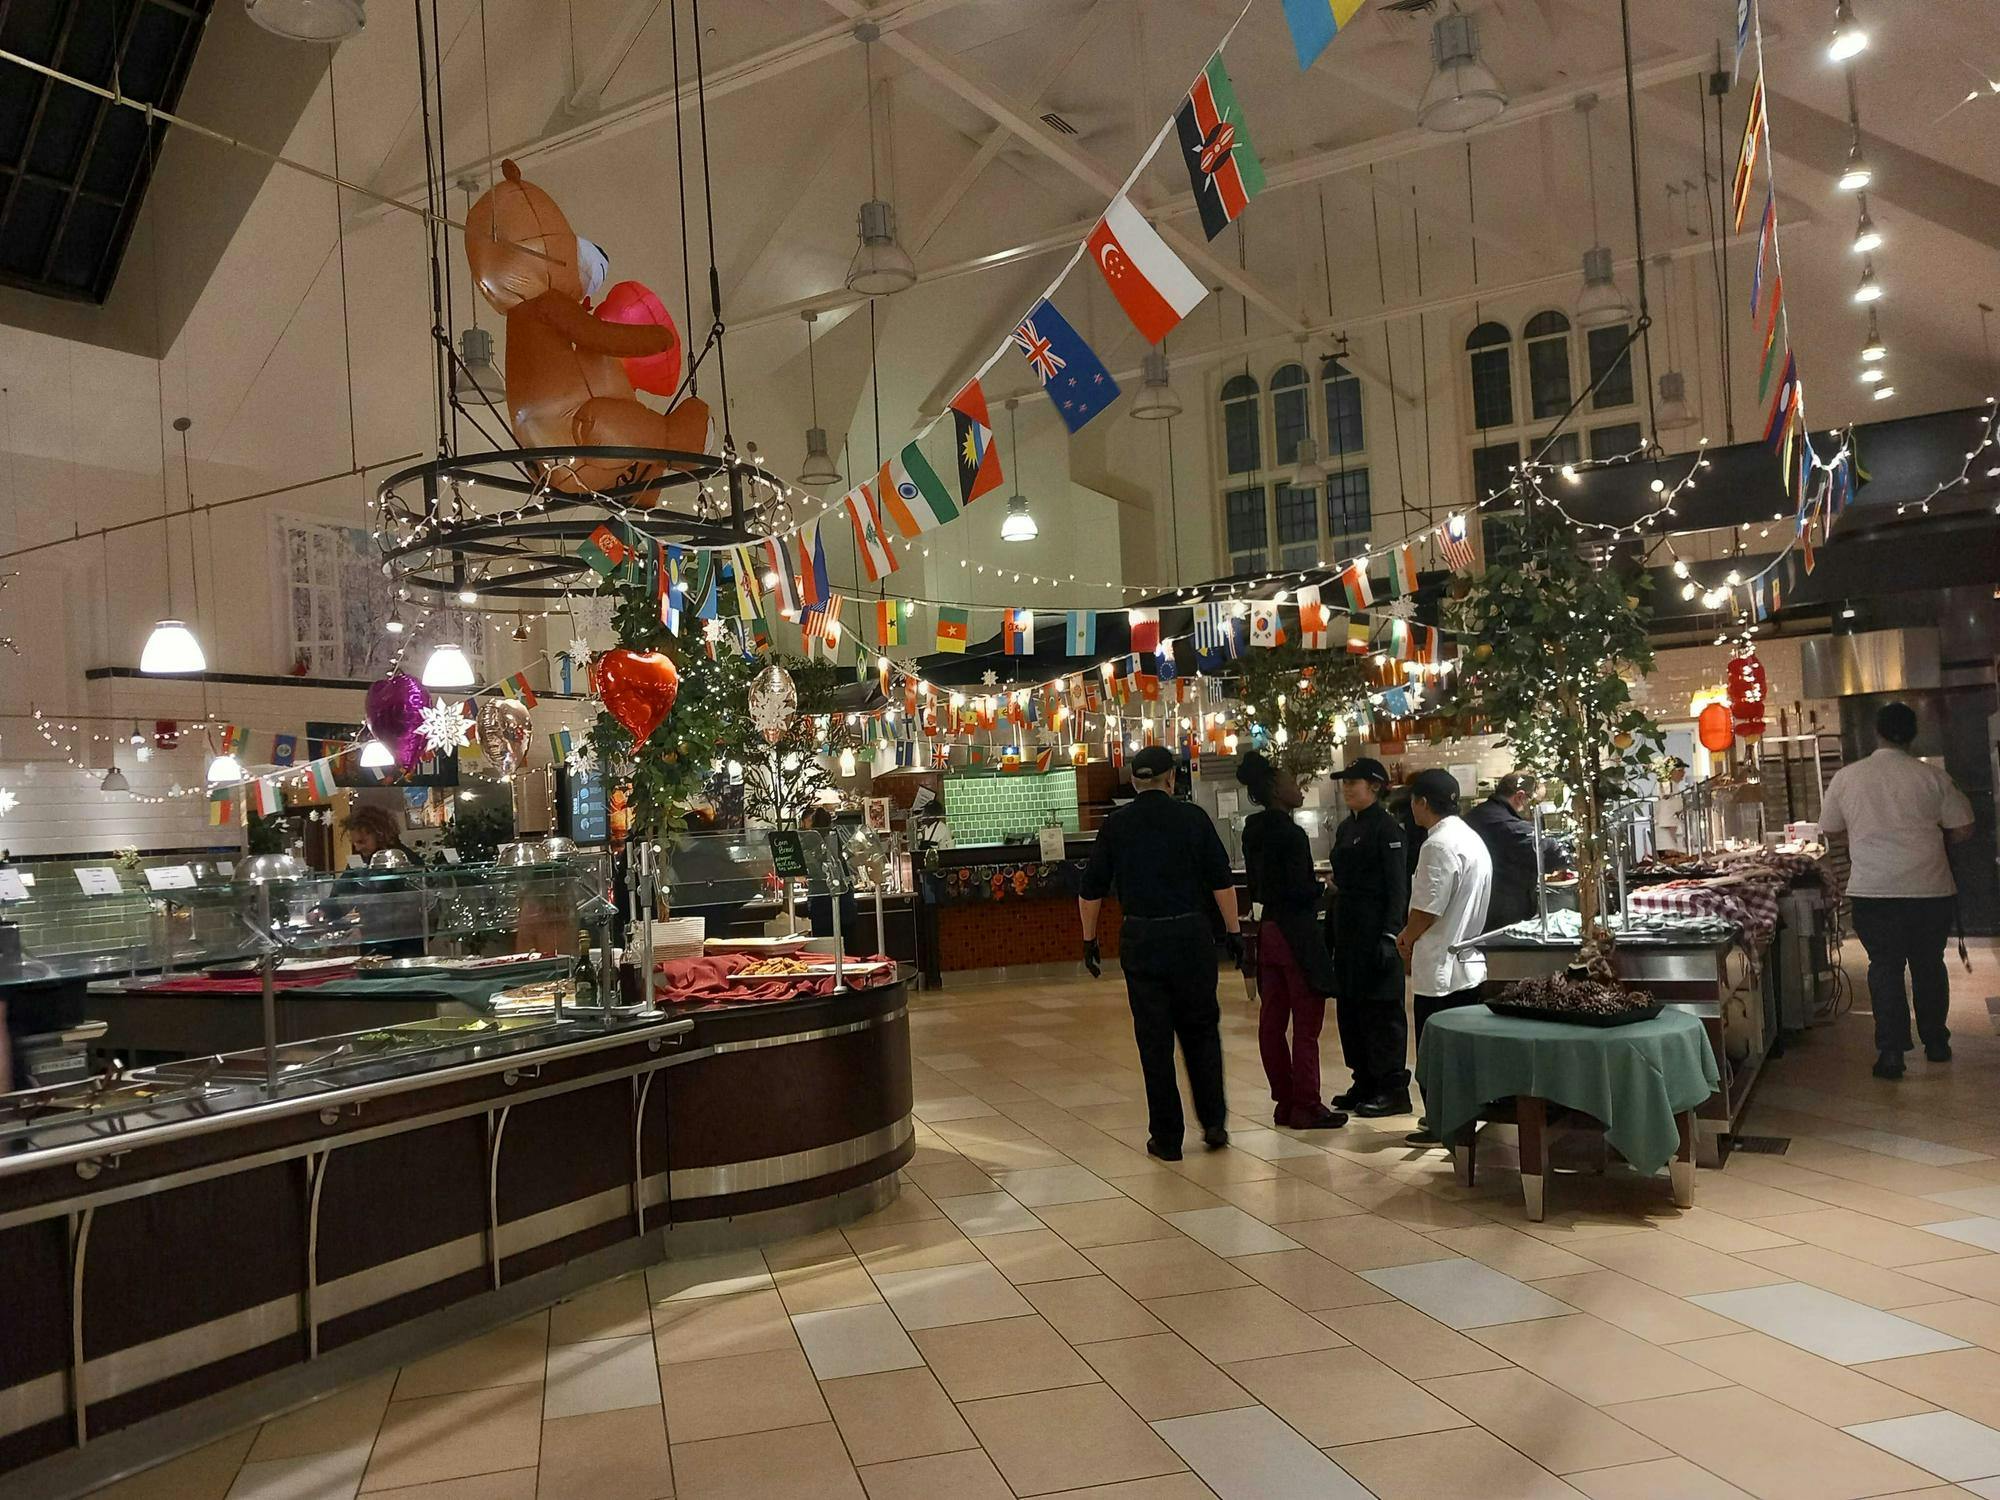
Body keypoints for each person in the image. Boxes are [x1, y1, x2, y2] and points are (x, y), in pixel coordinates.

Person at [1079, 745, 1241, 1161]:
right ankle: (1214, 1123)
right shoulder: (1193, 818)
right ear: (1171, 778)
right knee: (1202, 1031)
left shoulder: (1116, 825)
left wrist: (1089, 940)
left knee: (1154, 1042)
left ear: (1135, 781)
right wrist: (1234, 931)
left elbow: (1091, 888)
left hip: (1142, 937)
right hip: (1190, 935)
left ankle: (1167, 1138)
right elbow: (1221, 880)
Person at [1819, 702, 1976, 1080]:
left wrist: (1863, 837)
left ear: (1877, 733)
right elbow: (1964, 827)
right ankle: (1936, 1042)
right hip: (1929, 889)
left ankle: (1891, 1053)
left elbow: (1830, 828)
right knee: (1929, 965)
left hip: (1874, 891)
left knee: (1885, 968)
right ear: (1913, 735)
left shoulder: (1847, 777)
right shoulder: (1933, 777)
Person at [1236, 753, 1345, 1131]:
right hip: (1296, 932)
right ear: (1274, 790)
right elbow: (1298, 889)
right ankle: (1307, 1104)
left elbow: (1260, 885)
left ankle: (1284, 1100)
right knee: (1307, 1022)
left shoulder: (1251, 830)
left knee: (1272, 1020)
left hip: (1268, 929)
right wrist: (1323, 889)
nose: (1298, 788)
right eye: (1290, 782)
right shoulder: (1291, 834)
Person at [1396, 770, 1493, 1145]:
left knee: (1436, 1055)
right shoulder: (1470, 837)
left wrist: (1406, 938)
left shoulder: (1437, 845)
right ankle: (1460, 1118)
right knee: (1461, 1054)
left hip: (1441, 967)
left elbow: (1427, 908)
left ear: (1421, 802)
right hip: (1467, 963)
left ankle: (1442, 1121)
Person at [1326, 757, 1412, 1117]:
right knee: (1351, 1010)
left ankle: (1391, 1087)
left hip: (1376, 932)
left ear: (1375, 786)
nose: (1347, 788)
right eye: (1344, 783)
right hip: (1348, 933)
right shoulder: (1347, 827)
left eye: (1354, 782)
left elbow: (1397, 886)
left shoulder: (1387, 828)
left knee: (1381, 1011)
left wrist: (1390, 933)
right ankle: (1363, 1079)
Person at [1464, 772, 1569, 929]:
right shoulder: (1507, 825)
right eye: (1534, 802)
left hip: (1478, 909)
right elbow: (1548, 854)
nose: (1534, 810)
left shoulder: (1479, 814)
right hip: (1501, 914)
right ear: (1520, 797)